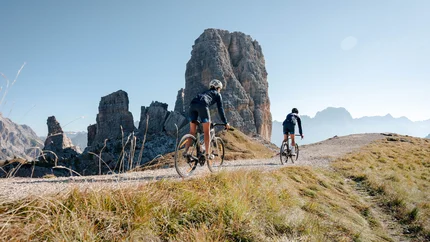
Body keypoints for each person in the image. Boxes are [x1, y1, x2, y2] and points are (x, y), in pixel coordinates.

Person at [186, 79, 230, 160]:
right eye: (220, 89)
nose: (220, 90)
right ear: (218, 88)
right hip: (203, 105)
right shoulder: (217, 94)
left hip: (192, 105)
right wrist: (225, 122)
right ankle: (207, 154)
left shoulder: (205, 92)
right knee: (207, 131)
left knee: (192, 131)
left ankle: (185, 152)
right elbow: (220, 110)